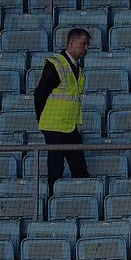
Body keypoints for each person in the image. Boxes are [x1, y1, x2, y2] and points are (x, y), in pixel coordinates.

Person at [34, 27, 92, 194]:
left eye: (87, 45)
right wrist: (43, 119)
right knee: (56, 167)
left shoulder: (78, 69)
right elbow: (39, 94)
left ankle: (82, 197)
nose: (86, 48)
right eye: (83, 44)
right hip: (54, 126)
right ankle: (53, 200)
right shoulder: (56, 64)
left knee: (79, 166)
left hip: (70, 126)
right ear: (72, 43)